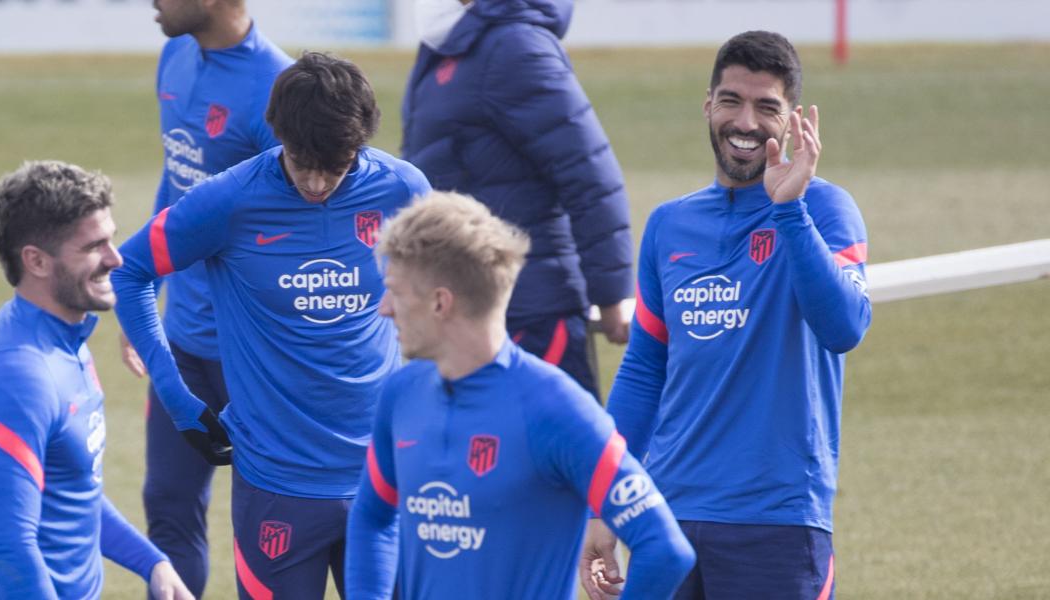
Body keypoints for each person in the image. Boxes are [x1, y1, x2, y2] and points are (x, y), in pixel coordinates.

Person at [113, 51, 432, 599]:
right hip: (275, 487)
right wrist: (174, 391)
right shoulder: (229, 201)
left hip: (382, 480)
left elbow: (451, 295)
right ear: (277, 134)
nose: (315, 182)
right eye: (302, 161)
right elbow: (129, 271)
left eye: (334, 166)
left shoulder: (403, 190)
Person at [582, 31, 871, 600]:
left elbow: (844, 327)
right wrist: (606, 504)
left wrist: (789, 210)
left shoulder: (825, 209)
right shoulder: (670, 225)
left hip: (779, 523)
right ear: (708, 104)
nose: (746, 121)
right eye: (732, 100)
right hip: (667, 519)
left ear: (790, 122)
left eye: (767, 107)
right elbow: (644, 372)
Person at [344, 192, 695, 599]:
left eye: (394, 291)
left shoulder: (555, 409)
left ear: (441, 302)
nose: (384, 308)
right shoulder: (402, 393)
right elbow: (372, 517)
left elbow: (665, 550)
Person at [0, 161, 193, 599]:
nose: (116, 259)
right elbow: (10, 548)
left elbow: (72, 492)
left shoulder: (63, 341)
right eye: (93, 247)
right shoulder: (19, 377)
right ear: (37, 261)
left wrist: (152, 562)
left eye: (112, 239)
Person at [122, 0, 293, 595]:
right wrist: (147, 289)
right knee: (167, 507)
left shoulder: (277, 88)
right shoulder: (174, 56)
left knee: (268, 533)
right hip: (180, 345)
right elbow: (177, 180)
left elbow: (303, 228)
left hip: (255, 361)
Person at [401, 0, 634, 398]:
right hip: (464, 311)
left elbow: (589, 171)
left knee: (546, 457)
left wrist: (612, 294)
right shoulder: (450, 40)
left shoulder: (516, 47)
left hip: (532, 313)